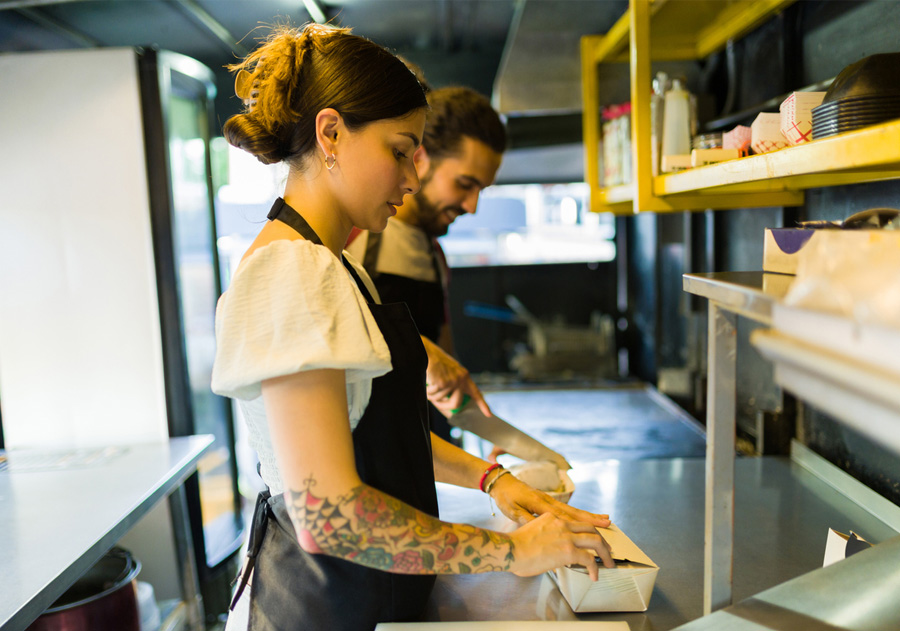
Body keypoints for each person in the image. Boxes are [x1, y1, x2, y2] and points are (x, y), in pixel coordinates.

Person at [211, 23, 613, 631]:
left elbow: (374, 441)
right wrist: (514, 552)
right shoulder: (290, 273)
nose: (412, 177)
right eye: (400, 150)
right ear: (331, 134)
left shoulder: (337, 266)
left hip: (370, 602)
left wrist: (490, 478)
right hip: (319, 609)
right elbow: (330, 517)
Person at [345, 86, 505, 442]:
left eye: (482, 189)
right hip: (365, 452)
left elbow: (446, 360)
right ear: (419, 159)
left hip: (429, 453)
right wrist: (419, 349)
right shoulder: (351, 237)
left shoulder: (436, 257)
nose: (472, 206)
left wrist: (477, 429)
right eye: (465, 184)